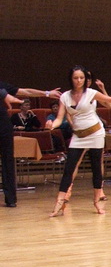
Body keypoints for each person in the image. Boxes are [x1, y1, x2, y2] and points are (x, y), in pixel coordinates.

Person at [46, 65, 111, 216]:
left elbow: (110, 101)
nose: (79, 81)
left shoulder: (91, 93)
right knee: (69, 168)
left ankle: (97, 202)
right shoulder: (65, 96)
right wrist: (52, 125)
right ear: (71, 79)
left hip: (95, 133)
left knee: (96, 167)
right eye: (76, 78)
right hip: (78, 136)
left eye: (81, 78)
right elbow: (59, 118)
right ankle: (59, 202)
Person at [0, 80, 61, 208]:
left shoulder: (2, 85)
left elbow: (25, 91)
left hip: (3, 124)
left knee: (8, 159)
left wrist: (47, 93)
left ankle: (10, 198)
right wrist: (4, 95)